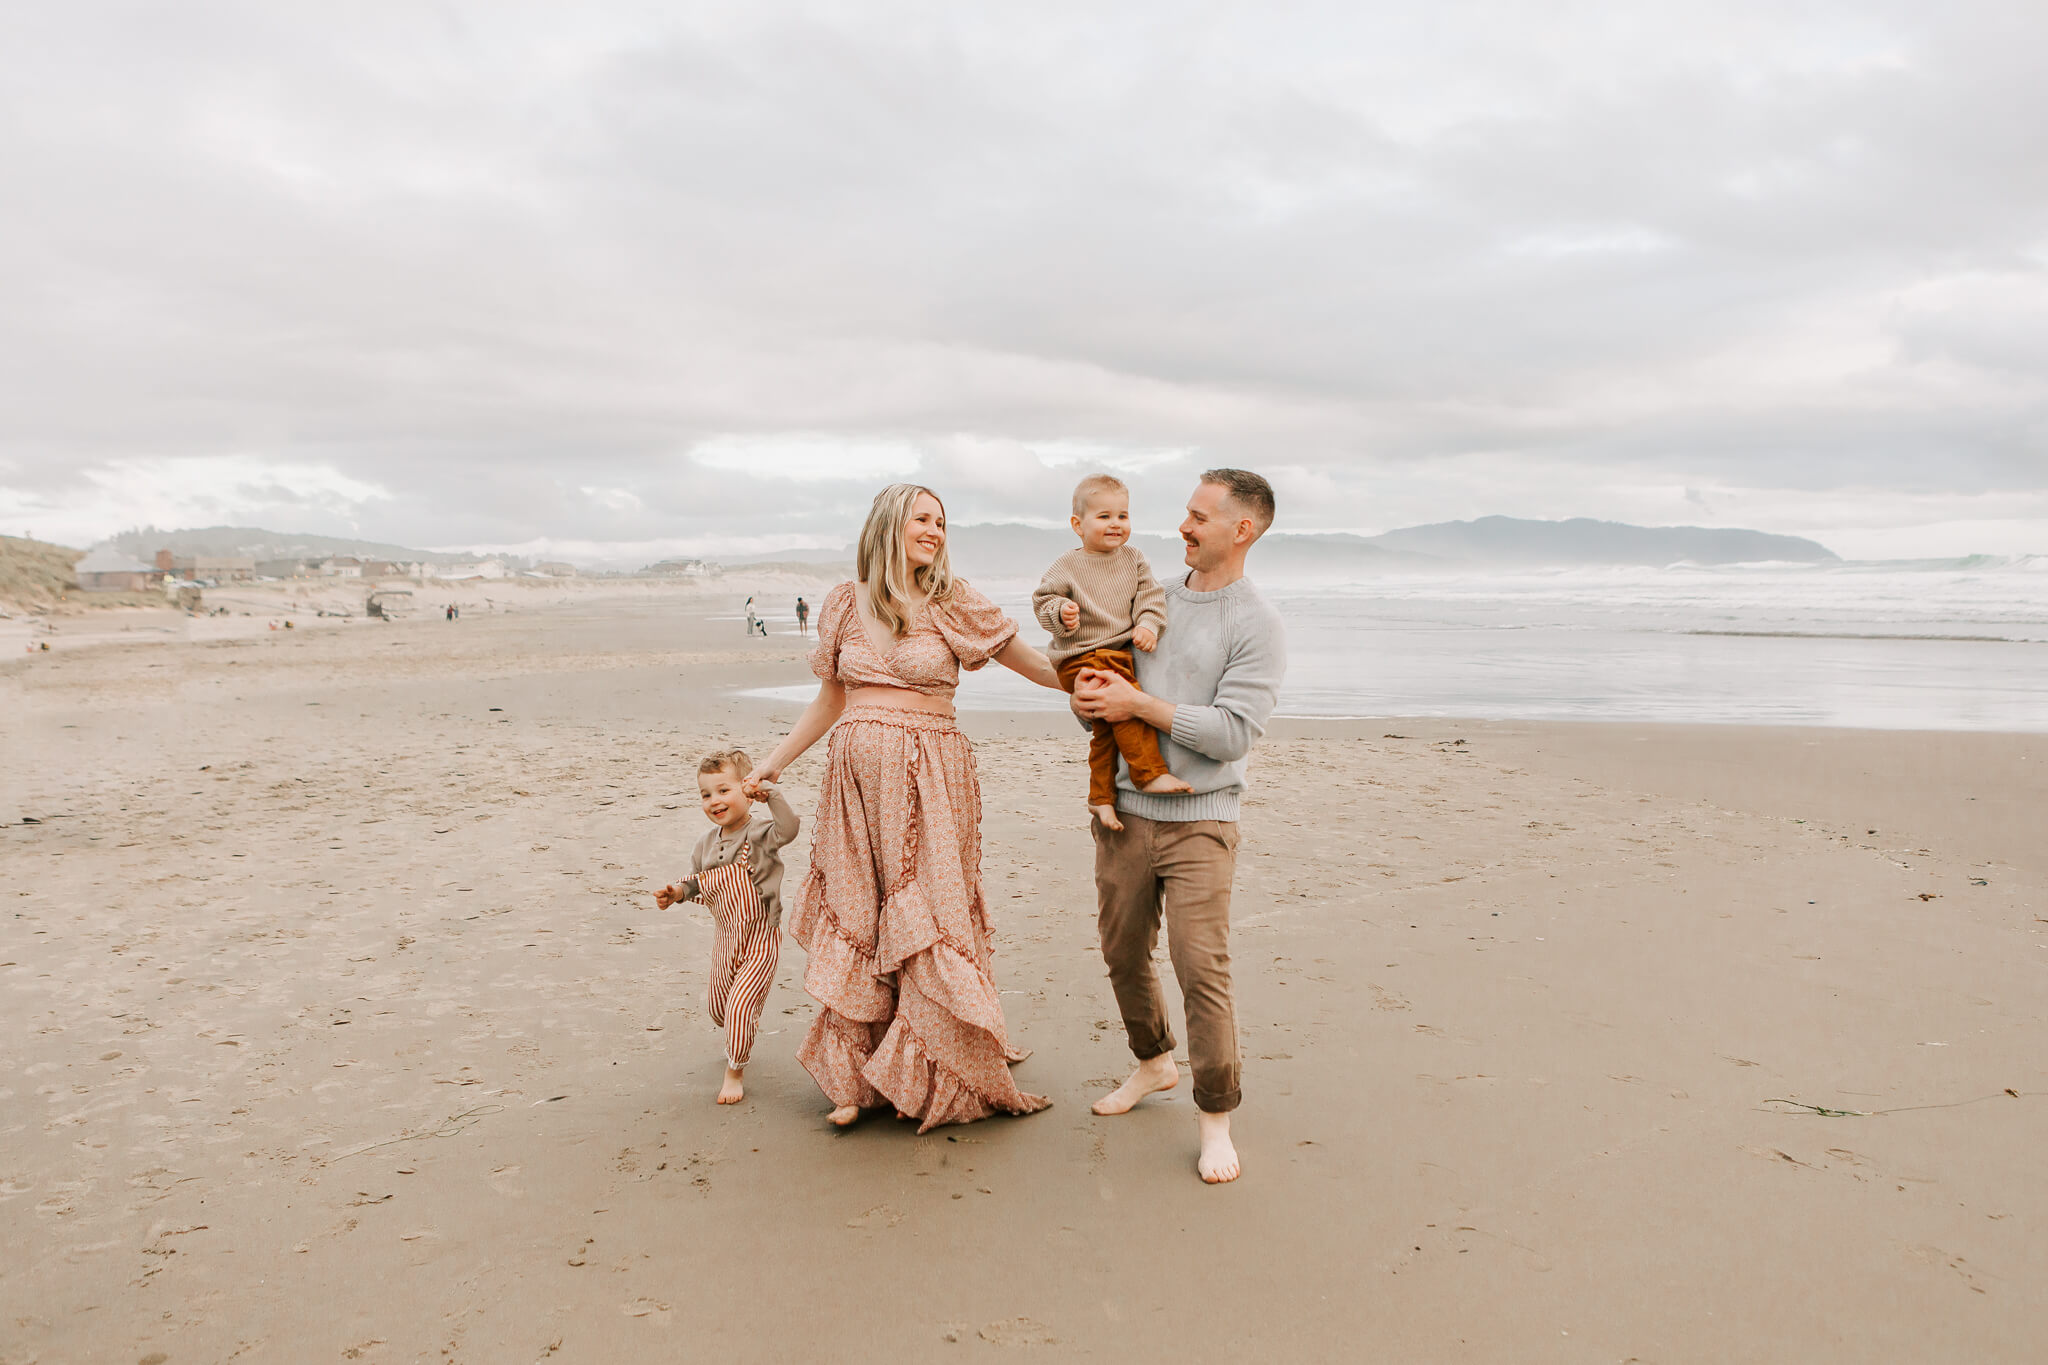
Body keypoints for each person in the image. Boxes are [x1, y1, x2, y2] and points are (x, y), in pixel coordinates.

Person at [745, 483, 1065, 1131]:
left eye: (942, 521)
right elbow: (831, 700)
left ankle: (933, 1064)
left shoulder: (952, 599)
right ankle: (854, 1076)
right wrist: (775, 761)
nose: (935, 530)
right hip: (856, 784)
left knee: (930, 908)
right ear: (889, 523)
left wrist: (1099, 678)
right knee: (863, 909)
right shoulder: (844, 601)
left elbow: (1032, 665)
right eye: (923, 518)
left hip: (931, 777)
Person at [1073, 469, 1286, 1184]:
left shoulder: (1256, 623)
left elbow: (1232, 733)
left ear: (1241, 529)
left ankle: (1215, 1118)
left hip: (1204, 820)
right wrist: (1096, 695)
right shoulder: (1150, 598)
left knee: (1202, 968)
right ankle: (1153, 1060)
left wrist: (1141, 702)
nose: (1183, 526)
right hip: (1126, 813)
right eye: (1186, 513)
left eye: (1199, 516)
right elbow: (1103, 691)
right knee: (1123, 952)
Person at [1033, 473, 1191, 829]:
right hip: (1080, 656)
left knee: (1106, 732)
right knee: (1125, 705)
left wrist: (1149, 625)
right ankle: (1149, 773)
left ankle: (1101, 799)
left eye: (1123, 516)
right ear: (1078, 524)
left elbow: (1151, 598)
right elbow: (1043, 601)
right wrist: (1061, 612)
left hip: (1118, 654)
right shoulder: (1068, 565)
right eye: (1104, 516)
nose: (1115, 524)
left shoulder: (1133, 559)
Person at [654, 749, 801, 1105]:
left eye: (723, 790)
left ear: (745, 791)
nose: (714, 801)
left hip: (761, 936)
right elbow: (697, 883)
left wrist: (770, 794)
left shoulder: (762, 832)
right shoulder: (705, 844)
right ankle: (737, 1028)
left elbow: (790, 828)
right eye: (706, 794)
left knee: (739, 1006)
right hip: (726, 936)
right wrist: (675, 892)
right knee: (720, 1009)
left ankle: (735, 1070)